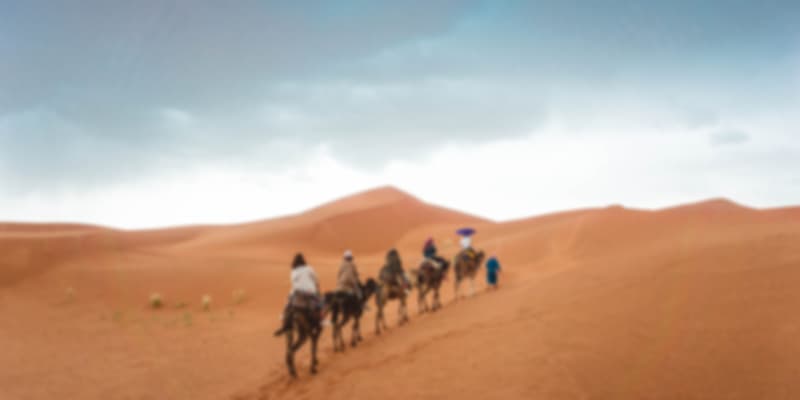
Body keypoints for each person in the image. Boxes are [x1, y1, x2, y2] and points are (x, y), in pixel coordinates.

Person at [274, 252, 321, 336]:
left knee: (288, 304)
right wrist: (317, 287)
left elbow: (293, 282)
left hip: (297, 292)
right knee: (318, 305)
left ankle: (284, 323)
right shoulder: (309, 268)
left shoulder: (293, 270)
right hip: (310, 291)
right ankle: (318, 323)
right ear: (303, 260)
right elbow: (316, 279)